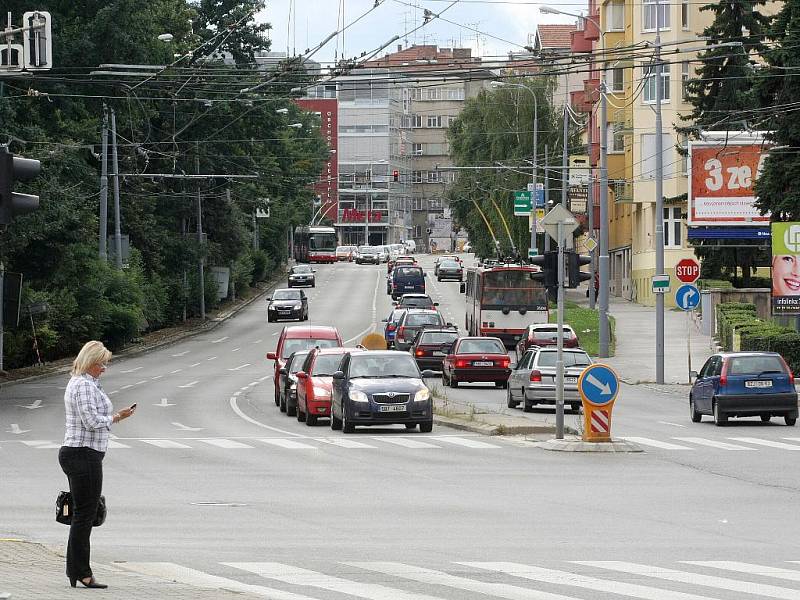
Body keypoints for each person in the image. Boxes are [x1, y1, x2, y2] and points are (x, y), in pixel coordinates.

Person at [58, 341, 136, 589]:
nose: (104, 368)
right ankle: (82, 572)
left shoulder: (87, 383)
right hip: (83, 454)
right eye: (101, 363)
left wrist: (115, 417)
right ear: (90, 362)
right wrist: (117, 417)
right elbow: (91, 421)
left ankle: (75, 570)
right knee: (85, 514)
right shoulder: (82, 385)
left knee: (83, 513)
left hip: (83, 453)